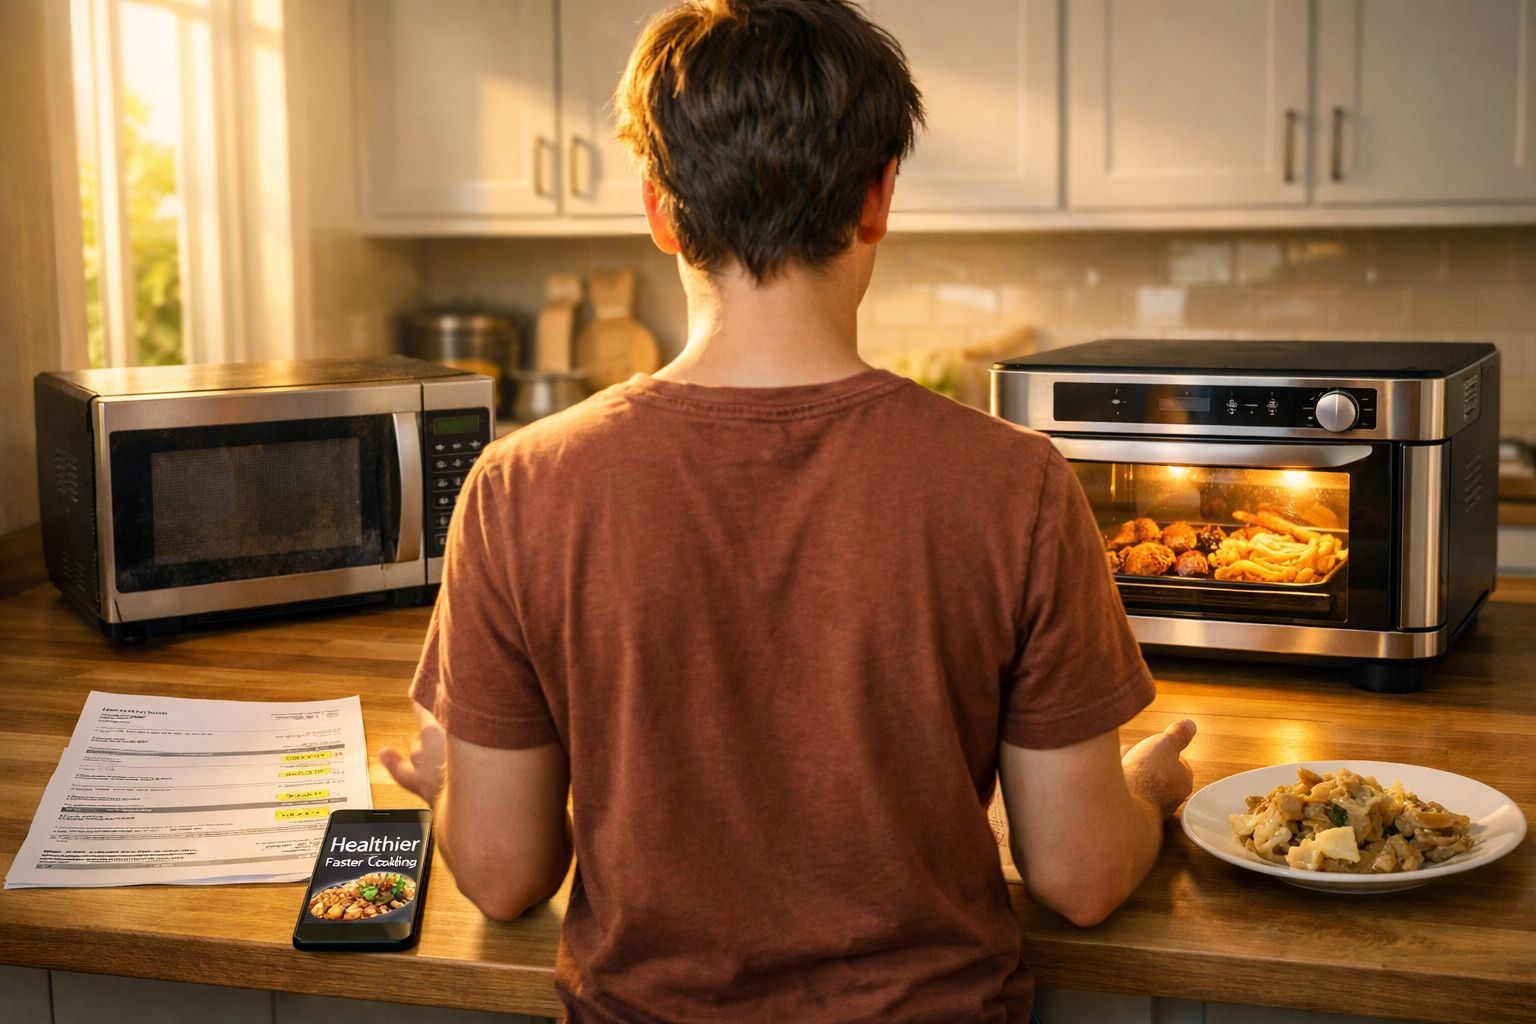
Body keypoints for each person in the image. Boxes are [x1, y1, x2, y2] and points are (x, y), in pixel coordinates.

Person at [380, 1, 1197, 1020]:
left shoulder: (519, 487)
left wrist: (453, 782)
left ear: (660, 211)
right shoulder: (1017, 482)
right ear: (878, 198)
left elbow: (503, 878)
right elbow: (1081, 877)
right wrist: (1150, 790)